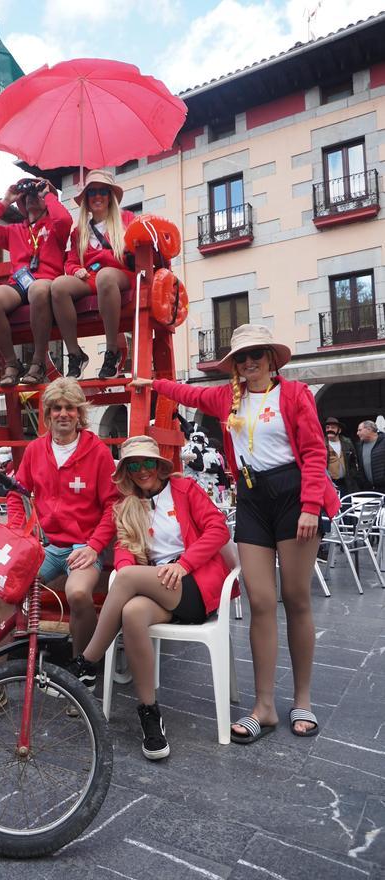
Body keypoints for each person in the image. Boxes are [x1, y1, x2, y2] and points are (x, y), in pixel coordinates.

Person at [131, 324, 340, 743]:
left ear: (271, 357)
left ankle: (302, 700)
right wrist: (152, 383)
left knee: (296, 599)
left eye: (256, 354)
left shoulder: (295, 394)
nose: (249, 363)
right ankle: (264, 707)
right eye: (242, 358)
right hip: (251, 499)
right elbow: (187, 394)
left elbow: (316, 452)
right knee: (260, 601)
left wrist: (311, 506)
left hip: (294, 495)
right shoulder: (229, 396)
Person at [68, 436, 231, 760]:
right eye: (134, 465)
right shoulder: (127, 506)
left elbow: (218, 529)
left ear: (159, 466)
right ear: (127, 471)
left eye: (147, 463)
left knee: (127, 578)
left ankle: (86, 662)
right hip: (158, 590)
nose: (142, 470)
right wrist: (136, 570)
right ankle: (149, 714)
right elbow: (125, 552)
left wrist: (184, 565)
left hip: (194, 585)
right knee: (131, 614)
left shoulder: (185, 490)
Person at [0, 378, 118, 724]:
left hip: (85, 545)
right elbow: (16, 493)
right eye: (56, 408)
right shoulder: (36, 450)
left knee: (78, 591)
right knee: (5, 591)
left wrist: (95, 546)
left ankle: (82, 676)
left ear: (80, 414)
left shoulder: (97, 452)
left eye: (69, 408)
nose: (63, 414)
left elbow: (113, 505)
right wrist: (23, 532)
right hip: (47, 545)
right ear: (48, 414)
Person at [0, 177, 72, 387]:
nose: (31, 198)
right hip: (19, 285)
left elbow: (64, 220)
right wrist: (6, 201)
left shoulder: (55, 227)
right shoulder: (14, 230)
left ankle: (38, 361)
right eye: (27, 195)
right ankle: (11, 363)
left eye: (36, 194)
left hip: (46, 282)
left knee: (37, 288)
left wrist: (48, 194)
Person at [51, 170, 135, 380]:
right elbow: (70, 261)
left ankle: (112, 351)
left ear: (110, 196)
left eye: (102, 191)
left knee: (105, 276)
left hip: (120, 275)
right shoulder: (79, 231)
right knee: (59, 286)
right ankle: (74, 353)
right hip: (90, 277)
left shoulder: (128, 219)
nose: (97, 196)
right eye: (92, 192)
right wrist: (74, 270)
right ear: (86, 200)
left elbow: (136, 252)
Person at [181, 430, 226, 496]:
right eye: (194, 442)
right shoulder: (190, 453)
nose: (196, 444)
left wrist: (205, 470)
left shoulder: (210, 455)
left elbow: (216, 469)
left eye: (198, 442)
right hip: (194, 485)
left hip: (208, 486)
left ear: (203, 443)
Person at [324, 417, 359, 497]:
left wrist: (352, 475)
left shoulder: (347, 442)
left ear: (339, 430)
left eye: (333, 427)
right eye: (327, 427)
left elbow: (354, 461)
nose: (330, 429)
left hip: (346, 483)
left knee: (347, 506)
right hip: (329, 484)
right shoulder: (321, 444)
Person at [356, 420, 385, 493]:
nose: (357, 433)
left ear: (369, 429)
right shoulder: (360, 446)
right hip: (369, 490)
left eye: (360, 430)